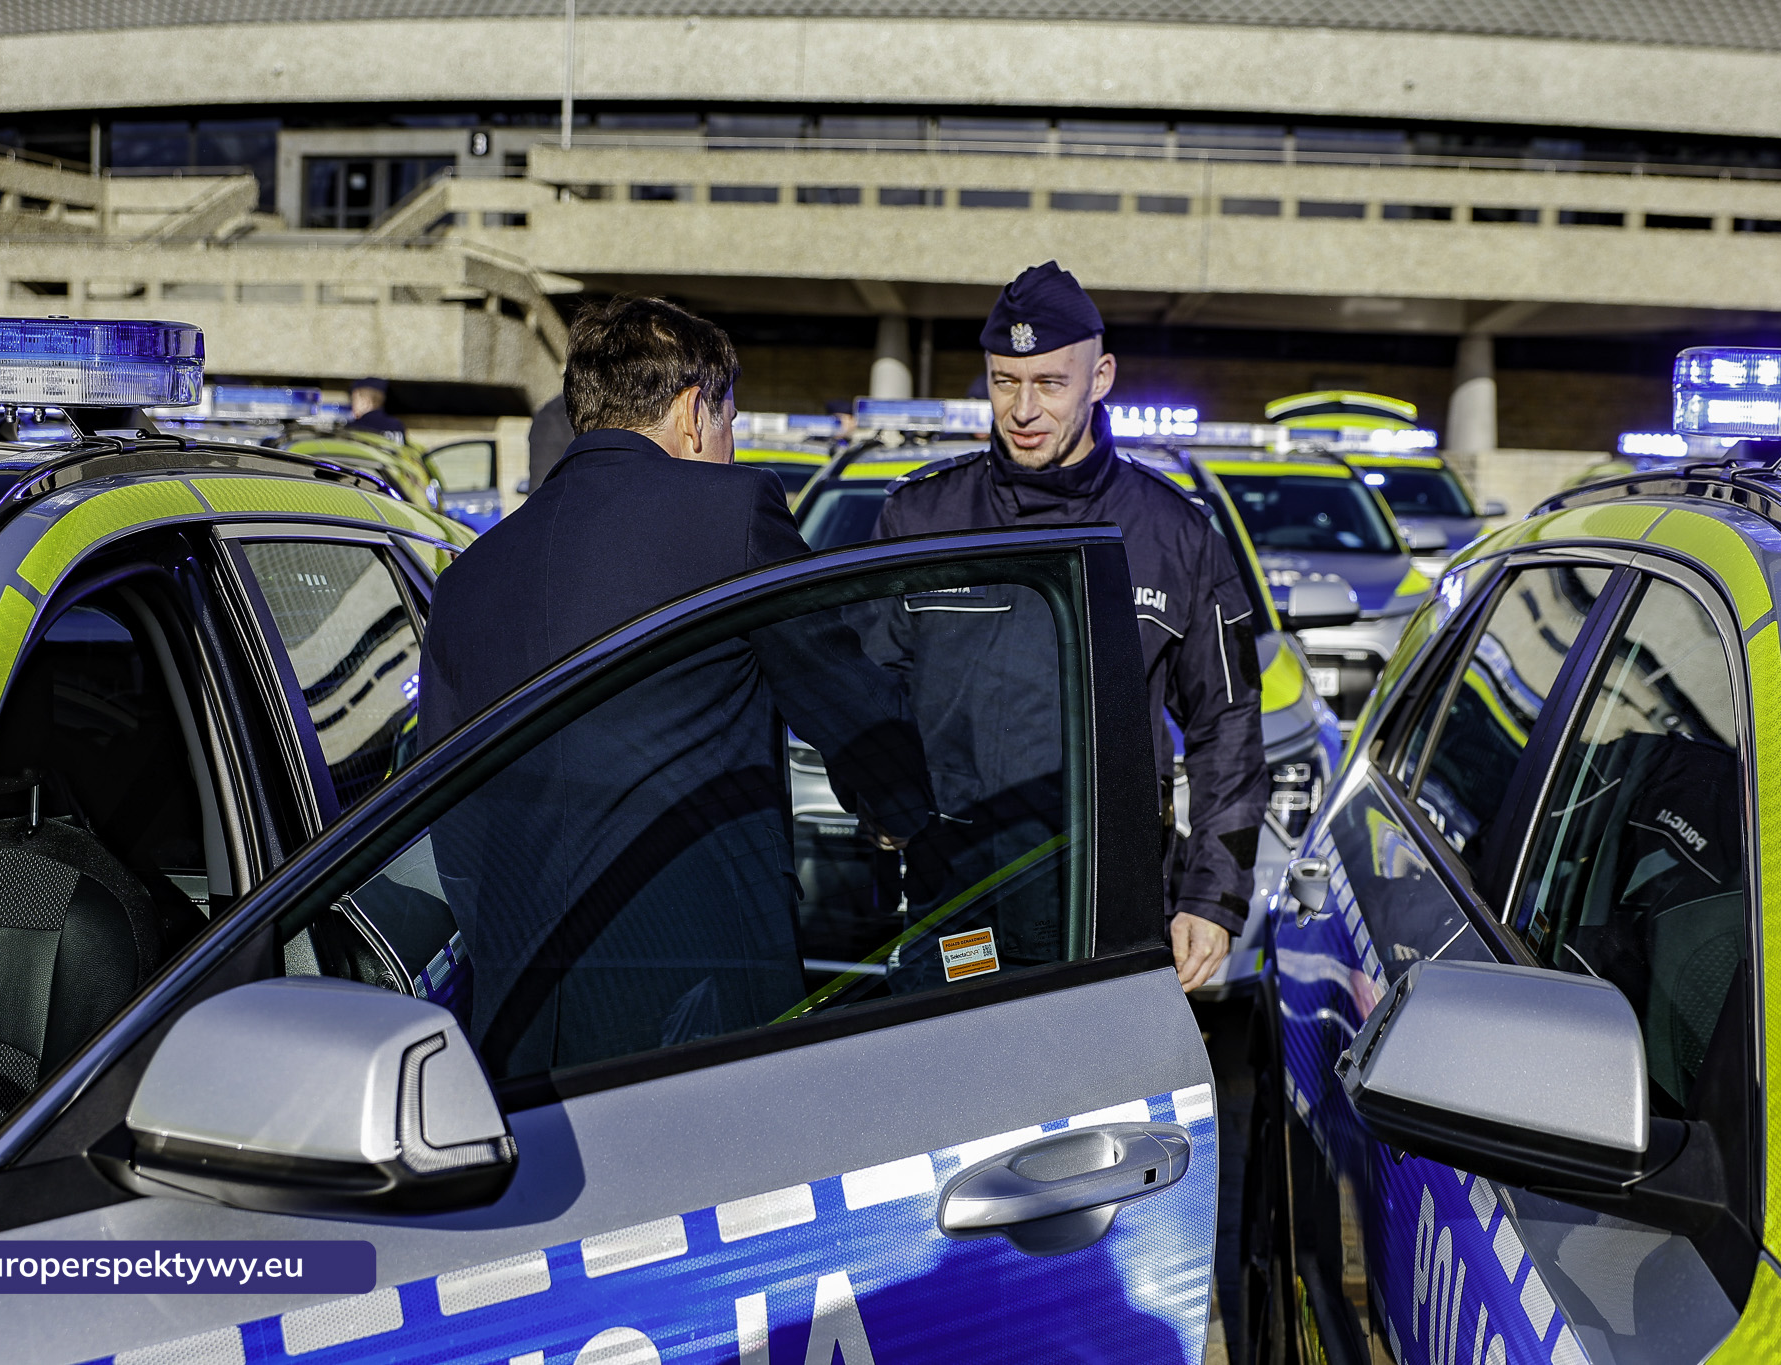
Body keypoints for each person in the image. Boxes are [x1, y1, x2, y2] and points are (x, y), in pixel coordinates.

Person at [419, 295, 932, 1076]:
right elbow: (837, 687)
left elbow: (448, 819)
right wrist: (902, 810)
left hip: (518, 1023)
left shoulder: (467, 578)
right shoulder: (729, 513)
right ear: (696, 412)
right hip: (699, 1010)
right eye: (731, 423)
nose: (729, 448)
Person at [869, 261, 1266, 992]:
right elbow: (868, 684)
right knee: (948, 1102)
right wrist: (880, 795)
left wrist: (1212, 899)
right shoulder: (920, 519)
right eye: (1003, 380)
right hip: (956, 902)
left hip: (1106, 906)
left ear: (1101, 376)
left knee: (1097, 1108)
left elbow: (1229, 725)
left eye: (1050, 382)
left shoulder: (1177, 534)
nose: (1023, 408)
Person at [344, 376, 408, 441]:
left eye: (353, 399)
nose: (352, 405)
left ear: (365, 401)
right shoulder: (397, 426)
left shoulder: (354, 427)